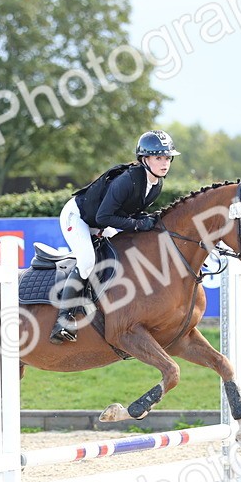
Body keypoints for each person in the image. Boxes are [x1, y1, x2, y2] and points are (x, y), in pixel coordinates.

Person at [49, 129, 179, 344]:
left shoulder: (156, 184)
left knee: (122, 255)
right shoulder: (127, 180)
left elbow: (128, 212)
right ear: (144, 159)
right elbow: (104, 216)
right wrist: (138, 224)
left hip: (102, 221)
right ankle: (63, 320)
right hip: (79, 218)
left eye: (167, 158)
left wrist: (144, 220)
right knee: (88, 261)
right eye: (159, 157)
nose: (165, 163)